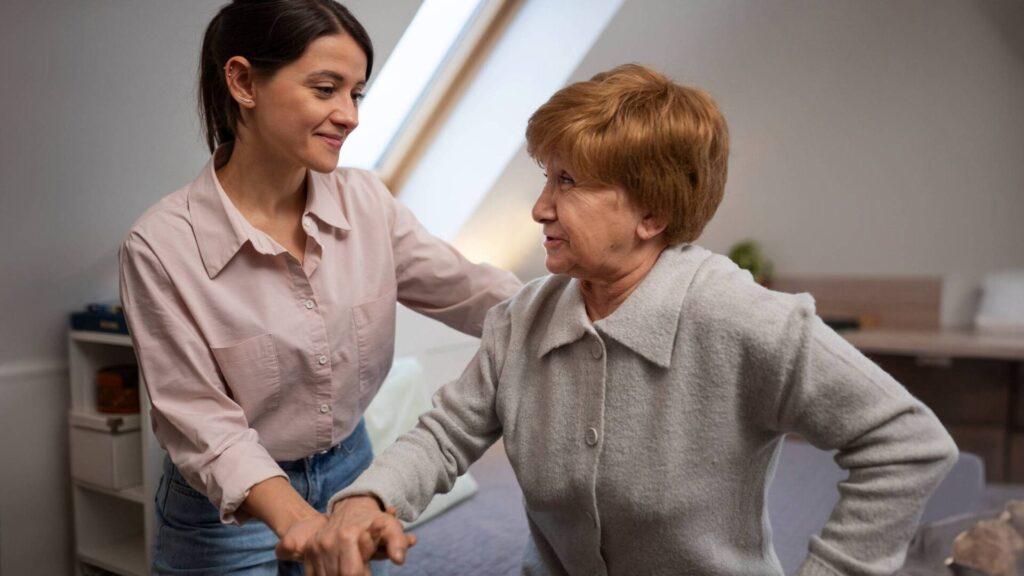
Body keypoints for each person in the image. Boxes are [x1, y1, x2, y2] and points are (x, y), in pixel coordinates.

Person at [299, 64, 960, 576]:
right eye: (545, 176)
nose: (538, 208)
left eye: (567, 182)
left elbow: (908, 444)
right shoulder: (523, 320)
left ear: (651, 214)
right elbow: (445, 436)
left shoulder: (737, 317)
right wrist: (370, 498)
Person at [118, 1, 521, 574]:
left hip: (352, 474)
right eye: (326, 88)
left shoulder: (367, 203)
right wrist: (299, 521)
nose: (350, 115)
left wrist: (597, 298)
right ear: (242, 81)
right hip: (221, 513)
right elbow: (204, 424)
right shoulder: (161, 247)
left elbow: (471, 291)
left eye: (356, 94)